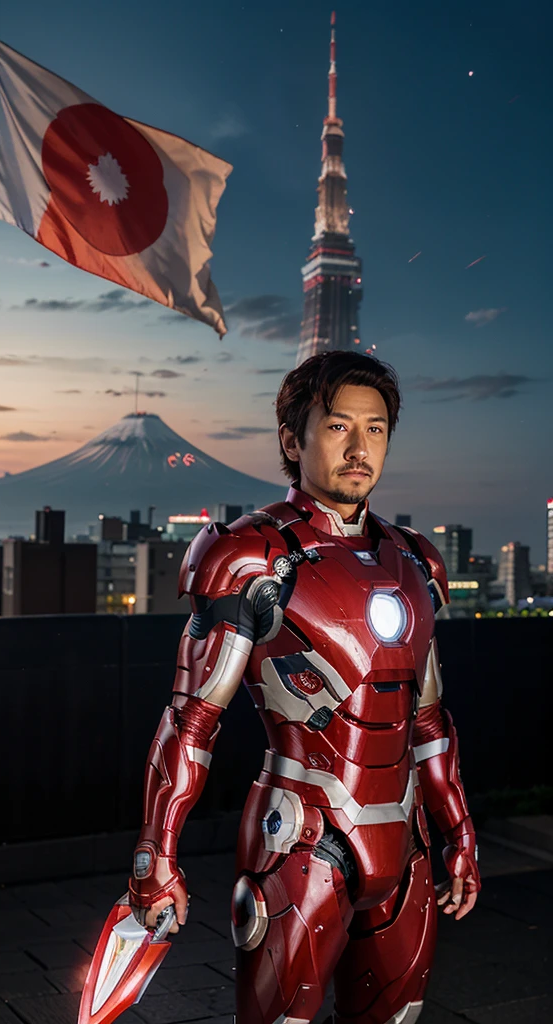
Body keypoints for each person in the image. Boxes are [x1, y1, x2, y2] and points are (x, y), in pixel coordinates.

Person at [129, 350, 480, 1024]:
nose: (359, 447)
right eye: (339, 426)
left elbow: (429, 720)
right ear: (294, 440)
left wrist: (459, 830)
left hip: (402, 839)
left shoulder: (414, 559)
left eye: (375, 429)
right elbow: (192, 721)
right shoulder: (251, 557)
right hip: (302, 833)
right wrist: (155, 853)